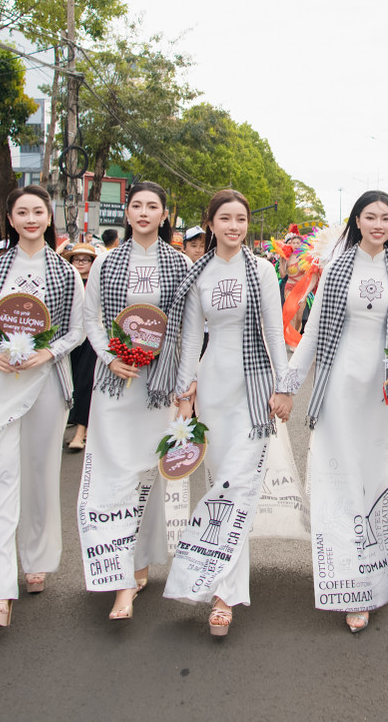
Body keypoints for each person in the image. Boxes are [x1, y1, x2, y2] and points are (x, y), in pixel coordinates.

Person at [271, 191, 388, 633]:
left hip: (380, 393)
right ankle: (344, 578)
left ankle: (369, 576)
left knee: (370, 479)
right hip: (337, 387)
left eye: (386, 218)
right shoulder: (336, 269)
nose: (378, 224)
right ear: (356, 221)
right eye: (370, 216)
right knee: (338, 479)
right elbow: (314, 334)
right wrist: (287, 387)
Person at [0, 185, 86, 626]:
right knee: (0, 474)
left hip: (46, 384)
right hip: (0, 383)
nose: (31, 219)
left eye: (38, 212)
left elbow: (77, 330)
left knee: (39, 472)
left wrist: (48, 353)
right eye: (22, 212)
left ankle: (36, 557)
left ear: (49, 218)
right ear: (9, 219)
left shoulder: (65, 273)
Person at [163, 189, 288, 637]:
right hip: (213, 387)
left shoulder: (264, 270)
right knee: (220, 487)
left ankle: (223, 597)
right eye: (225, 219)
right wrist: (184, 394)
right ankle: (220, 584)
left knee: (238, 485)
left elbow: (275, 332)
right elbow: (190, 339)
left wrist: (284, 386)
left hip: (253, 390)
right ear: (210, 224)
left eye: (241, 219)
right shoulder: (198, 273)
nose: (235, 226)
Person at [77, 183, 190, 621]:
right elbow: (91, 319)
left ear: (164, 215)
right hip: (115, 386)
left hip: (157, 388)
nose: (144, 212)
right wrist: (110, 357)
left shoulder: (180, 264)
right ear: (126, 213)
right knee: (114, 477)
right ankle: (121, 580)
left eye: (152, 206)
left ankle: (139, 562)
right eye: (137, 205)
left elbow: (188, 330)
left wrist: (185, 389)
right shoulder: (106, 262)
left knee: (147, 476)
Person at [61, 242, 98, 452]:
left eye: (85, 259)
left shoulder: (97, 283)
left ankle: (80, 434)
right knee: (69, 384)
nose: (81, 263)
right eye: (77, 259)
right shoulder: (66, 282)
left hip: (90, 340)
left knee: (85, 384)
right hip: (68, 339)